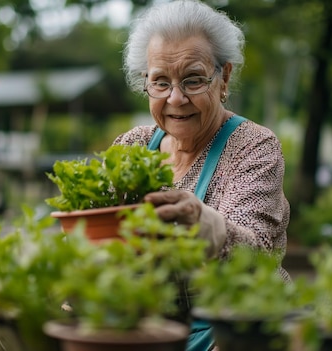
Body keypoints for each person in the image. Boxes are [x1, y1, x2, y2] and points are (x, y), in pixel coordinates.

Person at [112, 1, 291, 350]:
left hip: (238, 331)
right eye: (160, 82)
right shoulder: (132, 146)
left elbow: (254, 251)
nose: (176, 98)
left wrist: (200, 221)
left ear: (223, 78)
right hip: (150, 331)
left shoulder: (253, 147)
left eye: (193, 80)